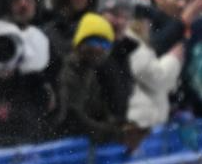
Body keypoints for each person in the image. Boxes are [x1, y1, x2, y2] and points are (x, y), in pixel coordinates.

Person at [58, 13, 145, 149]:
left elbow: (99, 111)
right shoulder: (68, 72)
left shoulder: (91, 72)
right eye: (93, 41)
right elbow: (73, 119)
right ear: (80, 43)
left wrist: (123, 126)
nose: (99, 48)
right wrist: (116, 134)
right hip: (64, 149)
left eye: (104, 43)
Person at [99, 0, 183, 128]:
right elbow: (157, 79)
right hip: (134, 125)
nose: (144, 24)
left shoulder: (133, 42)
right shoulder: (129, 42)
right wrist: (173, 58)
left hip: (142, 125)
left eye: (125, 16)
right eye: (138, 19)